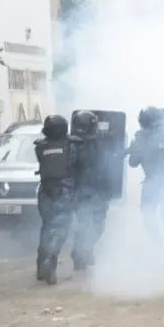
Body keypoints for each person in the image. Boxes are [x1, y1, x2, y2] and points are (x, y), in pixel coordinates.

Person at [35, 114, 79, 284]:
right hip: (64, 191)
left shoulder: (39, 147)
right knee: (61, 227)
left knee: (46, 227)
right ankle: (51, 259)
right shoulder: (72, 146)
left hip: (45, 192)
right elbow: (77, 163)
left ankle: (40, 264)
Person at [127, 106, 164, 243]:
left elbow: (133, 162)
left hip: (156, 182)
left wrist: (136, 145)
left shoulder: (142, 138)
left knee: (150, 214)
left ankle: (159, 243)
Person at [69, 110, 107, 271]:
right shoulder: (74, 145)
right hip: (84, 190)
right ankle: (80, 254)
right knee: (89, 224)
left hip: (89, 190)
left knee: (93, 225)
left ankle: (84, 251)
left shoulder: (90, 142)